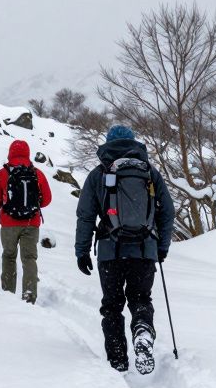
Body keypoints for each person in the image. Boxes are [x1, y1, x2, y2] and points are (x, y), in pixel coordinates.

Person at [74, 125, 174, 374]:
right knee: (140, 299)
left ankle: (118, 362)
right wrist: (161, 247)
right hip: (144, 250)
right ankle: (142, 331)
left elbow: (86, 216)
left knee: (112, 305)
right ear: (134, 143)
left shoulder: (99, 173)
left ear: (107, 144)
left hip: (110, 252)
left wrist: (82, 251)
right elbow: (167, 211)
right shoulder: (149, 173)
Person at [0, 139, 53, 303]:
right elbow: (47, 200)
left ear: (10, 153)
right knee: (29, 259)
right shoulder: (37, 173)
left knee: (9, 256)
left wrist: (7, 204)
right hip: (31, 223)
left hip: (8, 223)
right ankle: (29, 294)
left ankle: (8, 293)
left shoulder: (2, 173)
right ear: (28, 153)